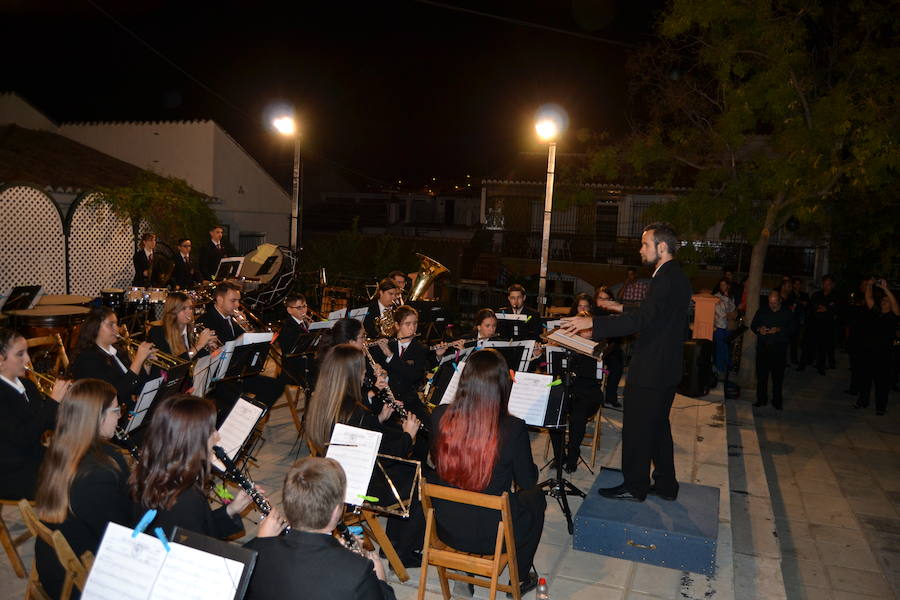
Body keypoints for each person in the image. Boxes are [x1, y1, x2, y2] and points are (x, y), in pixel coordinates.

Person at [560, 222, 691, 502]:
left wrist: (594, 322)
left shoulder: (664, 278)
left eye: (645, 244)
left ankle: (635, 486)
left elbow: (643, 319)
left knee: (636, 428)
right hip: (665, 368)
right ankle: (667, 486)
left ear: (662, 247)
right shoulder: (675, 275)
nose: (640, 249)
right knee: (657, 426)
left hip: (652, 369)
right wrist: (616, 307)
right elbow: (653, 312)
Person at [428, 349, 544, 595]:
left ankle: (466, 573)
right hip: (493, 536)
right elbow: (527, 481)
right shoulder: (512, 428)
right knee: (536, 499)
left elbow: (436, 463)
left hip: (447, 528)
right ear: (502, 386)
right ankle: (519, 578)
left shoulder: (438, 415)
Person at [304, 344, 423, 566]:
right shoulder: (356, 411)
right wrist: (408, 436)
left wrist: (378, 420)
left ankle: (395, 544)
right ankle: (401, 552)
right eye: (361, 371)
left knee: (406, 468)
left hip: (333, 475)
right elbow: (385, 458)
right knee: (418, 478)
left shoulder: (323, 401)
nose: (365, 375)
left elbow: (353, 436)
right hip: (360, 488)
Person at [244, 457, 397, 600]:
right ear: (336, 511)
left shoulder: (252, 550)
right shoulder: (358, 570)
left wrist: (338, 551)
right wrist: (381, 580)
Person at [34, 379, 133, 599]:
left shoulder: (63, 446)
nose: (120, 415)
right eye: (116, 410)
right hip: (77, 578)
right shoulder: (98, 473)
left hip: (54, 562)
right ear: (96, 418)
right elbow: (123, 535)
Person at [130, 394, 257, 538]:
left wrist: (231, 509)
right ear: (192, 439)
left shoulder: (153, 470)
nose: (217, 435)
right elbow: (202, 545)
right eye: (211, 430)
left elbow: (199, 526)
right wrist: (265, 539)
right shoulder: (185, 498)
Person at [0, 328, 65, 500]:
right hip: (13, 472)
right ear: (1, 361)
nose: (28, 359)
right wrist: (53, 402)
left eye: (27, 352)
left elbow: (49, 422)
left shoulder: (27, 385)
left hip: (35, 458)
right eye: (20, 354)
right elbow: (24, 437)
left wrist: (70, 406)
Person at [198, 282, 284, 410]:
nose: (237, 305)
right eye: (233, 301)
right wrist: (238, 340)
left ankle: (251, 419)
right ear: (220, 300)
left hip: (239, 372)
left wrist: (248, 329)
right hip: (220, 379)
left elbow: (250, 344)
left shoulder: (233, 318)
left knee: (275, 386)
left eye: (238, 301)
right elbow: (213, 354)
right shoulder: (206, 321)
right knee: (238, 402)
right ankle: (238, 421)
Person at [70, 307, 155, 413]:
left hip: (129, 410)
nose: (117, 329)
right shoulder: (87, 359)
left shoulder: (117, 351)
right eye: (111, 324)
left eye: (116, 324)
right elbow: (117, 395)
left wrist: (146, 362)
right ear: (95, 328)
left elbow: (137, 385)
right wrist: (138, 360)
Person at [369, 305, 434, 421]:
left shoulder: (421, 349)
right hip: (384, 400)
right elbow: (373, 372)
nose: (412, 328)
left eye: (415, 323)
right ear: (397, 325)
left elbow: (413, 376)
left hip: (408, 401)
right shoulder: (384, 345)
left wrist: (390, 356)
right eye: (408, 324)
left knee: (430, 425)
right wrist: (378, 369)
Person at [855, 279, 899, 415]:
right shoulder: (876, 312)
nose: (884, 301)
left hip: (884, 355)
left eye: (887, 300)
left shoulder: (893, 316)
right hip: (869, 352)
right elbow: (868, 297)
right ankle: (862, 402)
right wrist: (869, 284)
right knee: (865, 380)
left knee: (882, 384)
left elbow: (896, 305)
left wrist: (885, 289)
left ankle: (880, 408)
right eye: (883, 300)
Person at [750, 291, 796, 410]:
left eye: (774, 303)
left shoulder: (787, 312)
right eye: (770, 302)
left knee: (777, 377)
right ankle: (761, 399)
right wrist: (759, 329)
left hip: (779, 348)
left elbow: (793, 329)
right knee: (761, 376)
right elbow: (753, 325)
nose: (772, 305)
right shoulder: (762, 310)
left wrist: (779, 330)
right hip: (763, 348)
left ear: (780, 300)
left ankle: (777, 401)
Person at [148, 292, 217, 360]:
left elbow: (195, 357)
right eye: (183, 308)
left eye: (190, 308)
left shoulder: (191, 331)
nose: (189, 312)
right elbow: (173, 364)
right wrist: (199, 345)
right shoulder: (158, 332)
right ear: (172, 311)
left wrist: (211, 350)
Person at [594, 287, 623, 409]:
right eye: (600, 298)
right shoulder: (591, 311)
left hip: (611, 347)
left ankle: (611, 397)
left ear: (611, 300)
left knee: (617, 365)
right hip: (595, 347)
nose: (603, 301)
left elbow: (618, 336)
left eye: (606, 299)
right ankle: (595, 397)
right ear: (596, 299)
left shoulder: (614, 313)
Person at [278, 293, 313, 386]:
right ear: (289, 310)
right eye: (299, 308)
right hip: (295, 367)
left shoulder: (305, 322)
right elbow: (290, 352)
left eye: (305, 306)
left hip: (308, 360)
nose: (303, 310)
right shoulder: (287, 328)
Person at [808, 274, 839, 374]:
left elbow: (836, 310)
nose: (827, 286)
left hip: (828, 325)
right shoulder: (816, 295)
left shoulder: (835, 296)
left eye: (829, 284)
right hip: (816, 324)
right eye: (825, 284)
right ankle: (811, 361)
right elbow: (812, 307)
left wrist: (827, 309)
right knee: (813, 344)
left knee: (825, 346)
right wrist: (820, 308)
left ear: (832, 285)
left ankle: (822, 366)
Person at [713, 279, 737, 380]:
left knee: (726, 348)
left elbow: (732, 309)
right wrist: (729, 314)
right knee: (720, 348)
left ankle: (727, 369)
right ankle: (720, 370)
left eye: (725, 285)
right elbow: (720, 313)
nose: (723, 287)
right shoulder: (716, 297)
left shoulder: (730, 297)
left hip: (728, 327)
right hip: (719, 326)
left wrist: (727, 299)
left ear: (728, 286)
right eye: (721, 285)